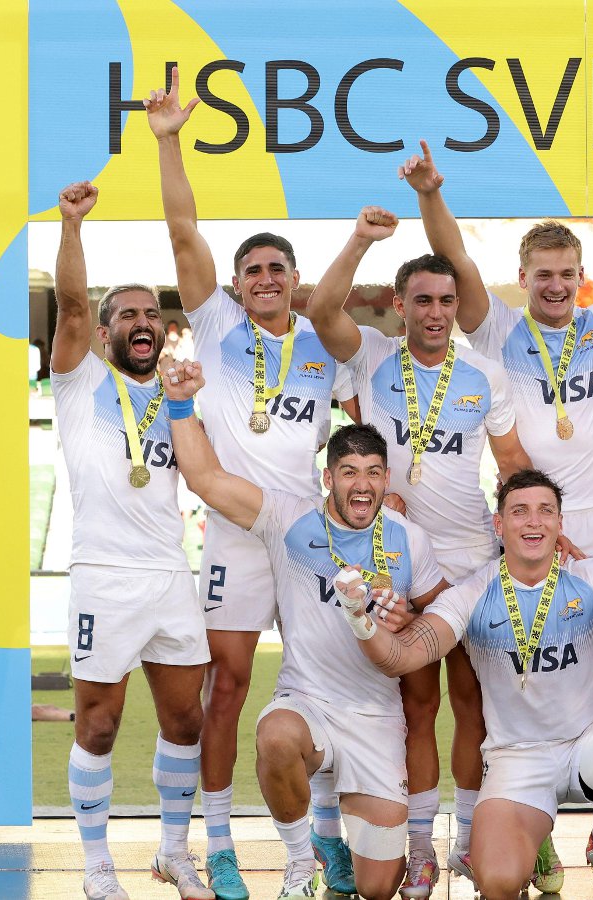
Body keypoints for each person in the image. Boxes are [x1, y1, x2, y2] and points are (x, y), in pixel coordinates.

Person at [400, 141, 593, 884]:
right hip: (529, 522)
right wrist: (430, 195)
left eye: (569, 275)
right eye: (544, 275)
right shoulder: (500, 328)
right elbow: (458, 264)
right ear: (524, 279)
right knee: (520, 661)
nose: (557, 285)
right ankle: (528, 819)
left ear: (582, 277)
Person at [145, 66, 358, 900]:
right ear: (236, 285)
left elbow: (357, 424)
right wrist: (170, 141)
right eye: (253, 270)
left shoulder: (320, 340)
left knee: (334, 678)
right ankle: (222, 843)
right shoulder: (217, 322)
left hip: (308, 531)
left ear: (294, 278)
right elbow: (183, 227)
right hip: (237, 530)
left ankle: (329, 843)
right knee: (226, 687)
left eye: (277, 268)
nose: (264, 277)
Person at [302, 204, 536, 897]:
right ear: (399, 305)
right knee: (407, 704)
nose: (436, 312)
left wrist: (539, 527)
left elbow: (511, 457)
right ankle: (411, 844)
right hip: (388, 558)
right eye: (422, 300)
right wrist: (363, 240)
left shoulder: (485, 375)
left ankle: (466, 842)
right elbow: (320, 308)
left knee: (472, 702)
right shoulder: (371, 357)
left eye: (446, 300)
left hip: (465, 559)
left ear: (457, 306)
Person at [338, 469, 593, 900]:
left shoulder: (592, 577)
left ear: (559, 523)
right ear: (499, 525)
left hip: (587, 747)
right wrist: (359, 618)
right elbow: (400, 658)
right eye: (520, 512)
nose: (533, 522)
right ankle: (534, 840)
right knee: (498, 882)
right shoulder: (471, 592)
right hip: (517, 762)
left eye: (545, 512)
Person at [166, 361, 448, 900]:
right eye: (348, 471)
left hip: (375, 720)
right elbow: (206, 479)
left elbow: (442, 613)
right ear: (328, 478)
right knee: (275, 738)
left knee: (378, 889)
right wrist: (182, 405)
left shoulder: (410, 539)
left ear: (386, 479)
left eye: (371, 472)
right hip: (308, 702)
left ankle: (345, 826)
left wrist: (409, 620)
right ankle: (301, 863)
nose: (360, 484)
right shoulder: (287, 518)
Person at [51, 180, 213, 900]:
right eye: (127, 315)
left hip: (167, 574)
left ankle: (173, 853)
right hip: (103, 576)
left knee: (186, 718)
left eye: (152, 314)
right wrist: (72, 227)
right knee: (100, 723)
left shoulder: (180, 395)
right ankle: (95, 865)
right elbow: (73, 305)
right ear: (107, 329)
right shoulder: (79, 378)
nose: (141, 322)